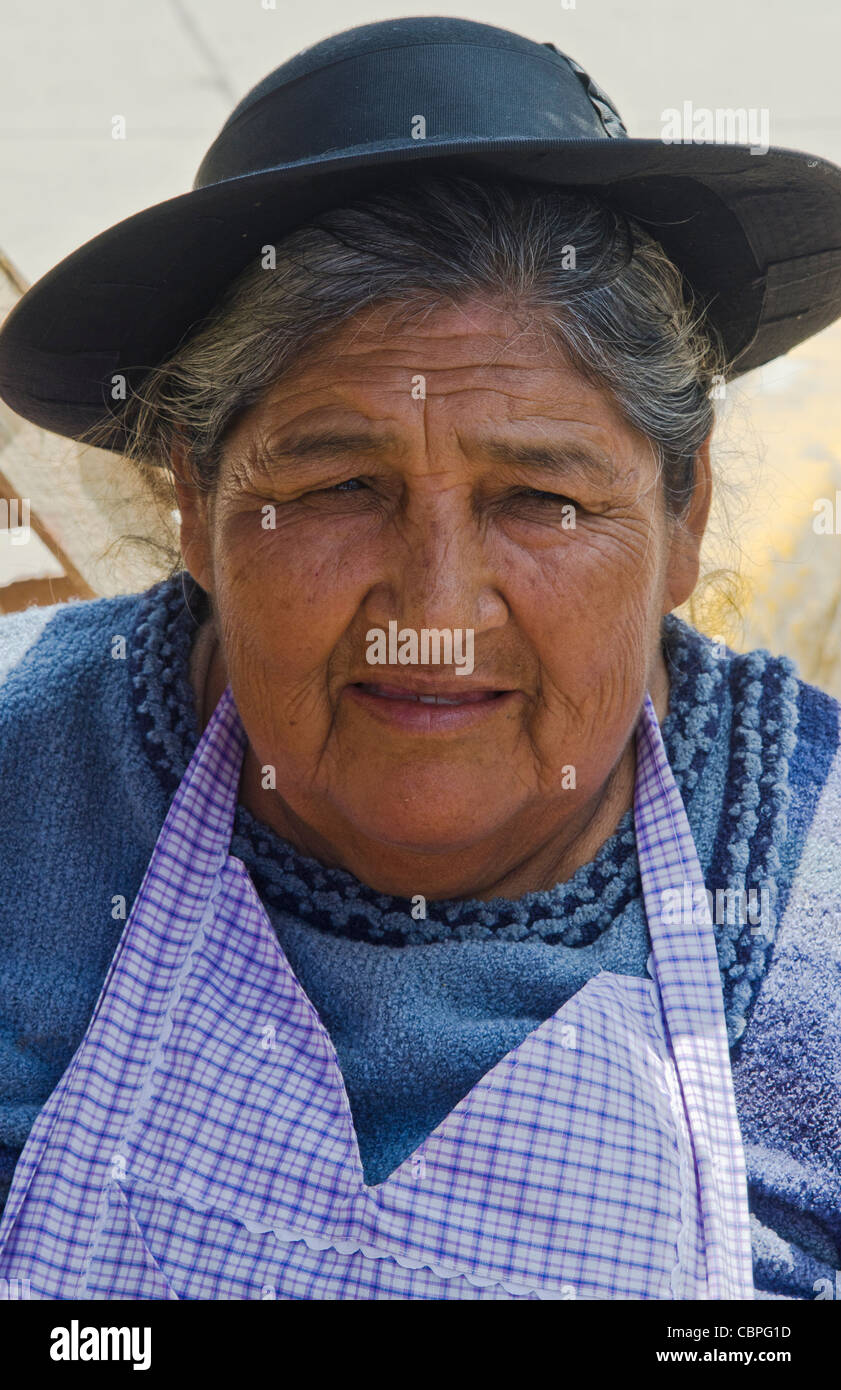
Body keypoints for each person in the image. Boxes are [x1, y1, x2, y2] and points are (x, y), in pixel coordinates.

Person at [1, 16, 840, 1301]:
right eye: (339, 485)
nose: (435, 608)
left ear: (680, 517)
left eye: (537, 497)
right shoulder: (26, 780)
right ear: (197, 507)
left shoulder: (809, 909)